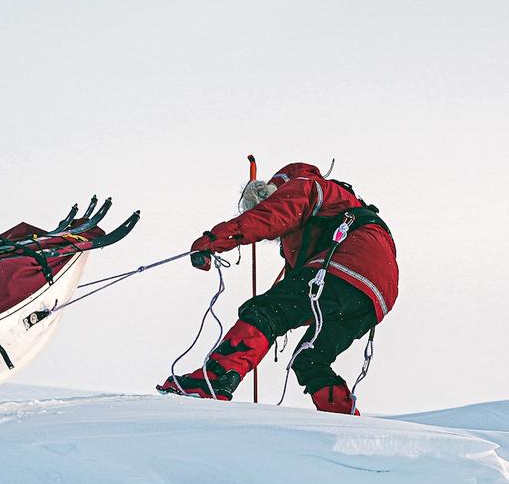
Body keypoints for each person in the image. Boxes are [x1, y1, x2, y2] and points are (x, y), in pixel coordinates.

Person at [158, 161, 397, 414]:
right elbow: (301, 294)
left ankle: (215, 380)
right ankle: (343, 417)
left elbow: (269, 218)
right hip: (376, 294)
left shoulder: (302, 185)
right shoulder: (336, 205)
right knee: (310, 358)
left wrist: (213, 241)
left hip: (349, 264)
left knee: (267, 312)